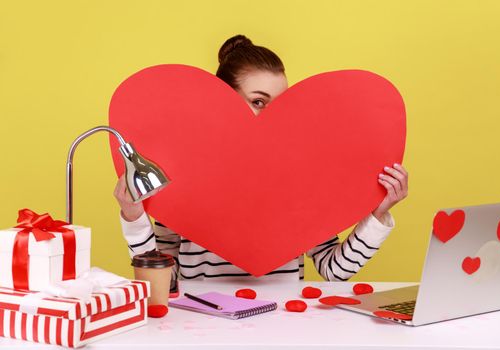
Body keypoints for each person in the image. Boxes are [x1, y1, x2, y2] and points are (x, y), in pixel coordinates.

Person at [114, 35, 409, 290]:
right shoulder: (182, 174)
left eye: (283, 104)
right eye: (258, 102)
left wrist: (378, 214)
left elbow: (335, 270)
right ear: (222, 102)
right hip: (205, 326)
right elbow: (168, 280)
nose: (274, 115)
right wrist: (134, 218)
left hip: (281, 329)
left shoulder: (302, 178)